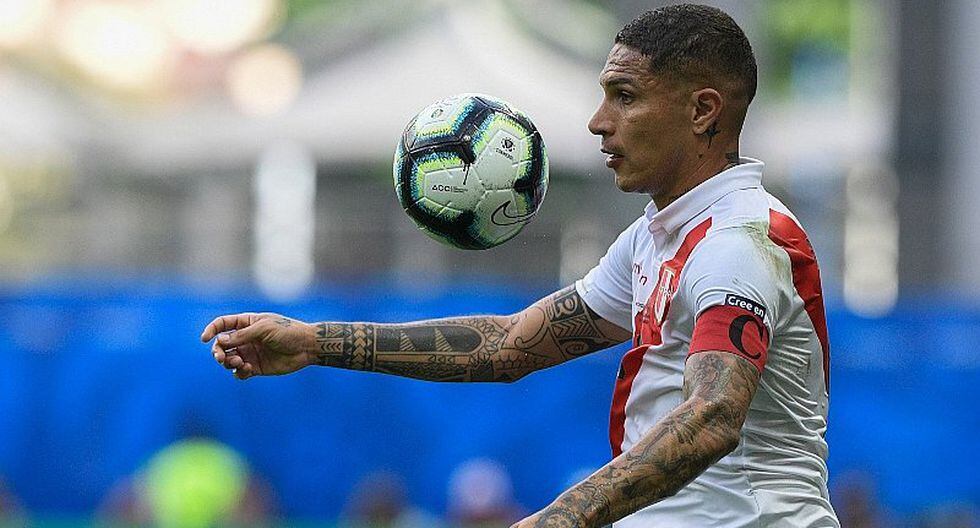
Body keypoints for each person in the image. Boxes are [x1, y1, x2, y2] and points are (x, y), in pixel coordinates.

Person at [201, 5, 838, 527]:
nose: (599, 123)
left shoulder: (739, 243)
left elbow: (713, 417)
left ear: (702, 111)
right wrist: (314, 341)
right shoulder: (656, 238)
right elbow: (509, 346)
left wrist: (562, 518)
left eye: (624, 96)